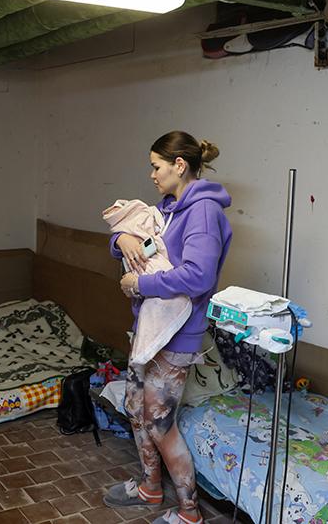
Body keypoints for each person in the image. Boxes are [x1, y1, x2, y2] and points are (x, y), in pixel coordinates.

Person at [104, 131, 232, 524]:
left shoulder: (204, 212)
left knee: (159, 422)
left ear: (180, 165)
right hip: (148, 329)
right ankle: (149, 487)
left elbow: (197, 276)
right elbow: (140, 242)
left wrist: (138, 283)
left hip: (178, 335)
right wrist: (121, 237)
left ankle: (190, 513)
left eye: (156, 166)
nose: (152, 174)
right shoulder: (169, 208)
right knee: (135, 410)